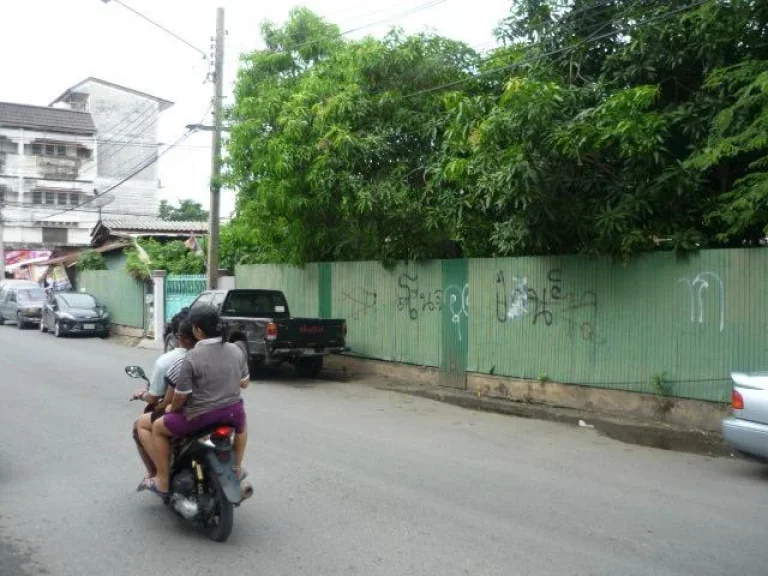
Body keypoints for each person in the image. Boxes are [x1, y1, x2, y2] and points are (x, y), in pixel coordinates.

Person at [142, 305, 249, 497]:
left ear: (198, 330)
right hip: (233, 414)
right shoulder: (235, 350)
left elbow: (180, 396)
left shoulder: (191, 357)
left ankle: (163, 481)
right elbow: (245, 382)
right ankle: (237, 468)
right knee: (242, 427)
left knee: (157, 427)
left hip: (200, 417)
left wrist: (170, 409)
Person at [131, 309, 192, 482]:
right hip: (218, 408)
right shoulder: (218, 353)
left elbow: (169, 399)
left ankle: (158, 475)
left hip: (187, 413)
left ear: (178, 335)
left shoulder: (170, 361)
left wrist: (146, 397)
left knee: (140, 426)